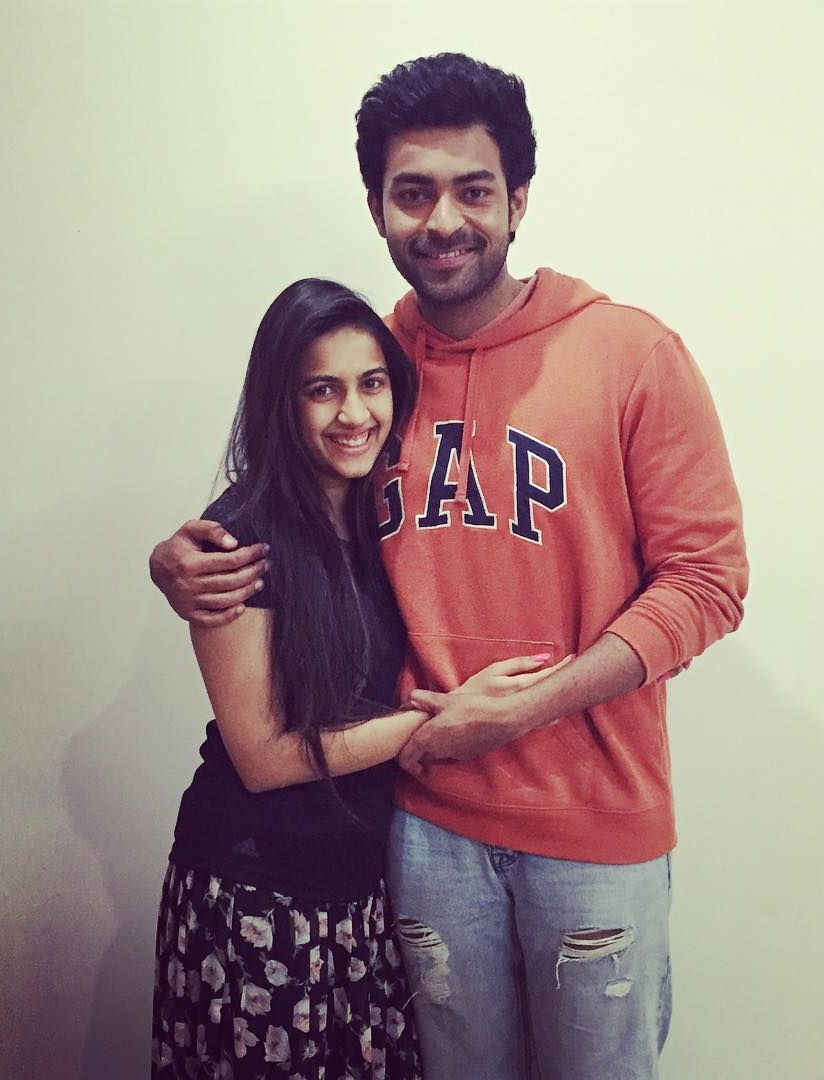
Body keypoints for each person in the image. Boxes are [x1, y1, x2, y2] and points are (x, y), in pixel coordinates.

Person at [150, 55, 749, 1080]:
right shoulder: (372, 366)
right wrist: (177, 560)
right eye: (413, 192)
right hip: (424, 829)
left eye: (473, 190)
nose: (443, 220)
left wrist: (528, 708)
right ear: (377, 208)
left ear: (519, 199)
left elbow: (707, 581)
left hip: (592, 826)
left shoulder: (630, 354)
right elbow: (292, 503)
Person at [150, 277, 562, 1079]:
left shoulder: (381, 513)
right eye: (322, 390)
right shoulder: (237, 540)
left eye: (371, 383)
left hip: (358, 894)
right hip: (258, 896)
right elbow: (264, 757)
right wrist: (441, 722)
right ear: (281, 401)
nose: (354, 413)